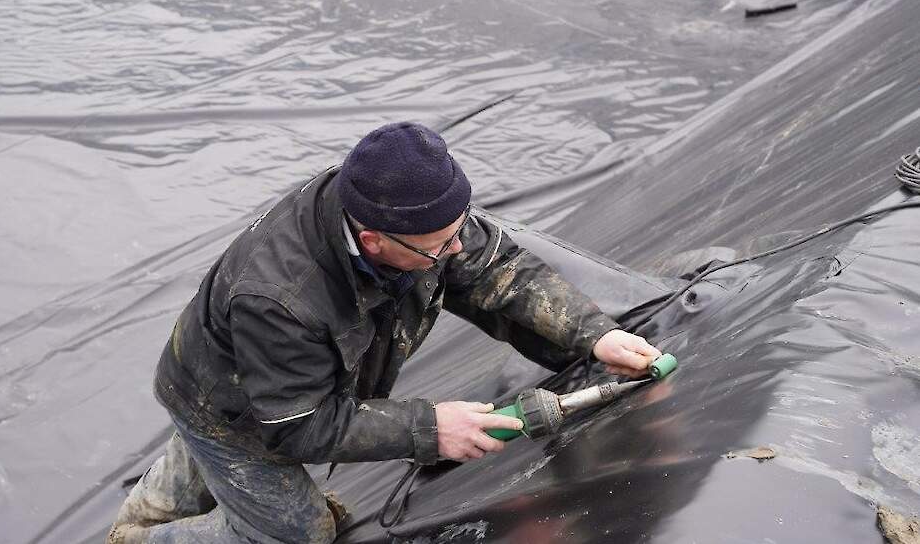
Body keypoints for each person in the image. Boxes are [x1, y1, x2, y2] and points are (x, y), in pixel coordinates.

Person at [107, 122, 662, 544]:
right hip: (235, 406)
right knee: (300, 531)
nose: (458, 249)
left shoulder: (413, 212)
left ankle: (157, 502)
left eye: (458, 229)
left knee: (211, 452)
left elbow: (497, 272)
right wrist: (430, 427)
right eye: (442, 245)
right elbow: (299, 424)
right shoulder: (279, 298)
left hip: (252, 371)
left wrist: (594, 335)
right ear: (373, 241)